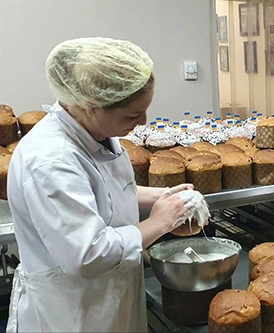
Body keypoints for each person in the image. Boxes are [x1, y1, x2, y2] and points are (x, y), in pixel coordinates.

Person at [6, 37, 209, 332]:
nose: (143, 120)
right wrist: (160, 222)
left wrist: (163, 197)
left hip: (111, 295)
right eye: (132, 114)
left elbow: (106, 191)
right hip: (72, 309)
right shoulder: (51, 160)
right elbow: (88, 255)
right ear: (92, 105)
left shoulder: (94, 133)